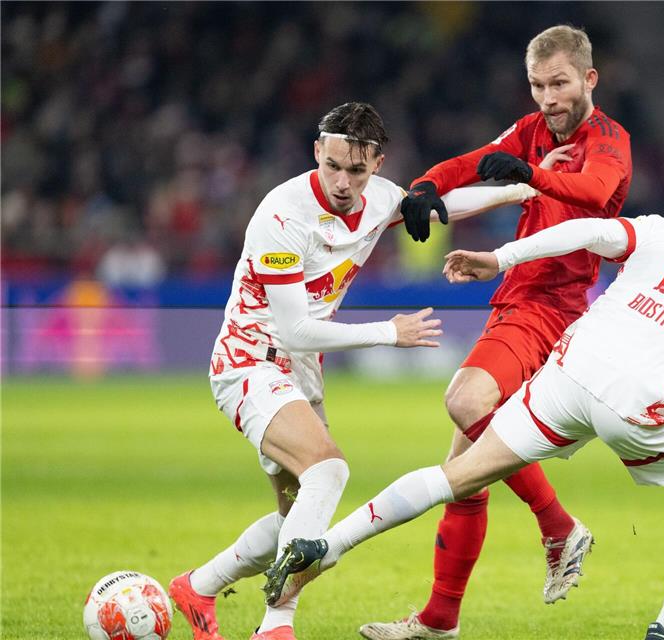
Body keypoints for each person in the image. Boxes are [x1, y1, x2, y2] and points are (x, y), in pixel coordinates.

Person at [263, 201, 664, 640]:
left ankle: (332, 543)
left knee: (460, 473)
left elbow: (590, 233)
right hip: (643, 400)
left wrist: (502, 256)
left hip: (572, 367)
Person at [168, 102, 539, 640]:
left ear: (378, 165)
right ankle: (275, 627)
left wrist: (517, 191)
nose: (343, 182)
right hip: (249, 361)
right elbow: (294, 330)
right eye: (333, 166)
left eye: (357, 171)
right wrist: (389, 332)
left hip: (302, 373)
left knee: (294, 520)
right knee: (330, 470)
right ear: (317, 151)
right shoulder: (282, 215)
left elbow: (442, 206)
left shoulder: (379, 199)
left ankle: (199, 587)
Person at [352, 25, 633, 639]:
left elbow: (594, 190)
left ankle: (558, 526)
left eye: (560, 83)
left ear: (589, 79)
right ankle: (438, 621)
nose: (548, 98)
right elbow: (471, 163)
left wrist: (529, 175)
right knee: (464, 477)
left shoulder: (609, 139)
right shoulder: (532, 131)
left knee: (464, 399)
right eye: (537, 85)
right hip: (520, 299)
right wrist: (425, 187)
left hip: (549, 305)